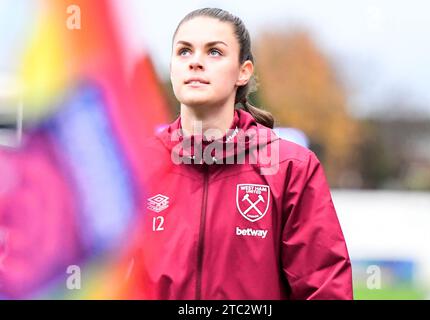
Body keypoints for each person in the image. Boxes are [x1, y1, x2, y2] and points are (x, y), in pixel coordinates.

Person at [124, 7, 353, 300]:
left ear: (243, 72)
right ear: (171, 68)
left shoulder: (290, 168)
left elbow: (324, 288)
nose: (195, 62)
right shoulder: (133, 166)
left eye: (214, 52)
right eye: (184, 51)